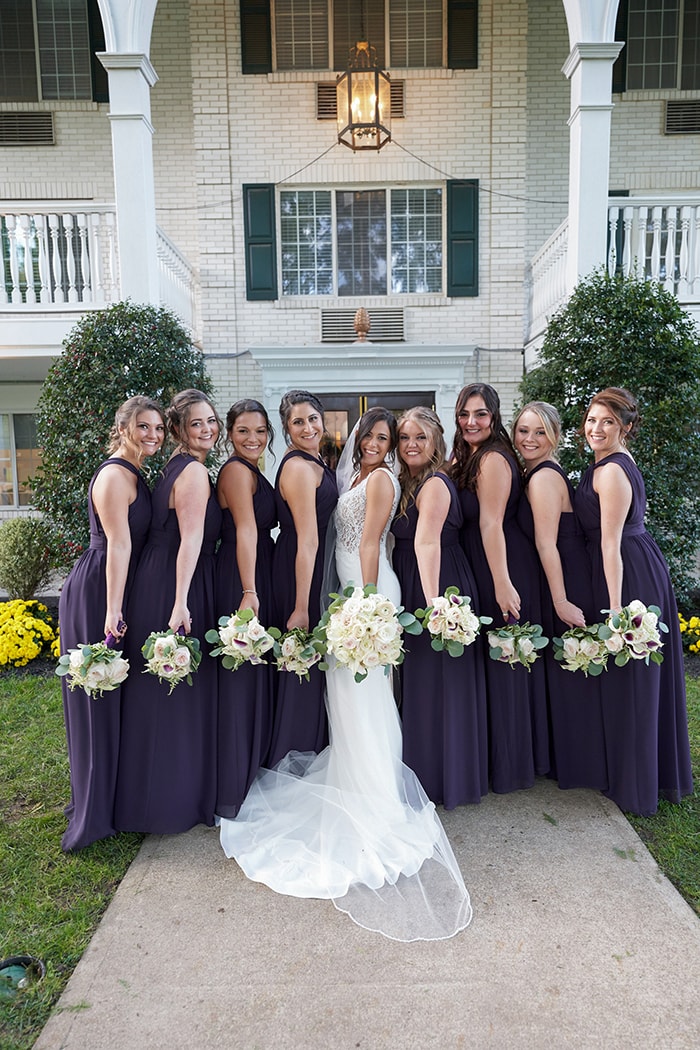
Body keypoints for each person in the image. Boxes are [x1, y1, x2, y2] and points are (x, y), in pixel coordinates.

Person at [219, 407, 472, 941]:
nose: (383, 444)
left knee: (366, 697)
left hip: (366, 594)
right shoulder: (352, 475)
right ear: (359, 439)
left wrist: (367, 608)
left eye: (391, 437)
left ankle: (375, 796)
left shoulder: (379, 480)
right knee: (348, 699)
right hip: (347, 593)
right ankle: (355, 779)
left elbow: (368, 543)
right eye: (378, 436)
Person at [573, 387, 692, 815]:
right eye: (591, 419)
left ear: (624, 426)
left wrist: (617, 611)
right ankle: (637, 769)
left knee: (634, 679)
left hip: (627, 572)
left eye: (607, 421)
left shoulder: (609, 472)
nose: (596, 428)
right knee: (632, 680)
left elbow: (610, 544)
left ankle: (637, 780)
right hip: (633, 561)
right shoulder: (607, 463)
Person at [59, 395, 165, 851]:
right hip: (100, 589)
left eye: (159, 428)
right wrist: (112, 609)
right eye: (144, 427)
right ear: (123, 427)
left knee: (115, 696)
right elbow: (118, 545)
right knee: (97, 697)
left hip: (116, 588)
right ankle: (94, 810)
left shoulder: (136, 472)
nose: (153, 436)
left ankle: (113, 797)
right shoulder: (113, 476)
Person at [114, 390, 223, 833]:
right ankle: (172, 800)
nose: (208, 429)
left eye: (212, 421)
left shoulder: (174, 465)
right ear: (181, 429)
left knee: (161, 692)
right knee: (176, 693)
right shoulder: (194, 471)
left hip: (157, 576)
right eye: (197, 423)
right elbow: (191, 540)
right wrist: (180, 601)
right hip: (178, 581)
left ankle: (150, 796)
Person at [450, 383, 549, 793]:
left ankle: (511, 766)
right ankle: (492, 756)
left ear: (494, 418)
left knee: (505, 661)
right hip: (480, 561)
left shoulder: (492, 458)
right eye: (464, 414)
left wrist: (503, 584)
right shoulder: (467, 455)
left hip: (502, 565)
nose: (472, 422)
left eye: (481, 415)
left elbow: (491, 523)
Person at [391, 406, 489, 808]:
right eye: (404, 438)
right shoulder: (409, 481)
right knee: (424, 685)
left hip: (436, 582)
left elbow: (426, 542)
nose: (411, 445)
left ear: (435, 442)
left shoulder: (433, 483)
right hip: (419, 579)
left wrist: (433, 607)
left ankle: (444, 778)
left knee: (440, 683)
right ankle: (428, 772)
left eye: (420, 438)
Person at [512, 401, 607, 791]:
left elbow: (547, 544)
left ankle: (582, 765)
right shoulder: (534, 471)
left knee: (572, 675)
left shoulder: (543, 478)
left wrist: (560, 601)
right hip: (559, 577)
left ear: (555, 436)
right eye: (523, 430)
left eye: (539, 432)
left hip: (564, 579)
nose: (529, 439)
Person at [265, 390, 338, 766]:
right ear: (286, 428)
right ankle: (295, 757)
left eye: (312, 418)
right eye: (298, 422)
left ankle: (316, 744)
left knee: (315, 664)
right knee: (303, 660)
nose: (307, 427)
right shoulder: (296, 467)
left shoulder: (316, 461)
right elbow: (307, 540)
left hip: (316, 568)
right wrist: (300, 605)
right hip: (300, 572)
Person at [215, 399, 277, 818]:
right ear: (229, 433)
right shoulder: (236, 471)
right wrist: (250, 590)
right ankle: (233, 781)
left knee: (252, 676)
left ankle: (249, 767)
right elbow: (245, 529)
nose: (252, 439)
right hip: (243, 578)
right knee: (239, 680)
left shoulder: (251, 469)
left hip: (256, 572)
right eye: (243, 431)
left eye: (259, 431)